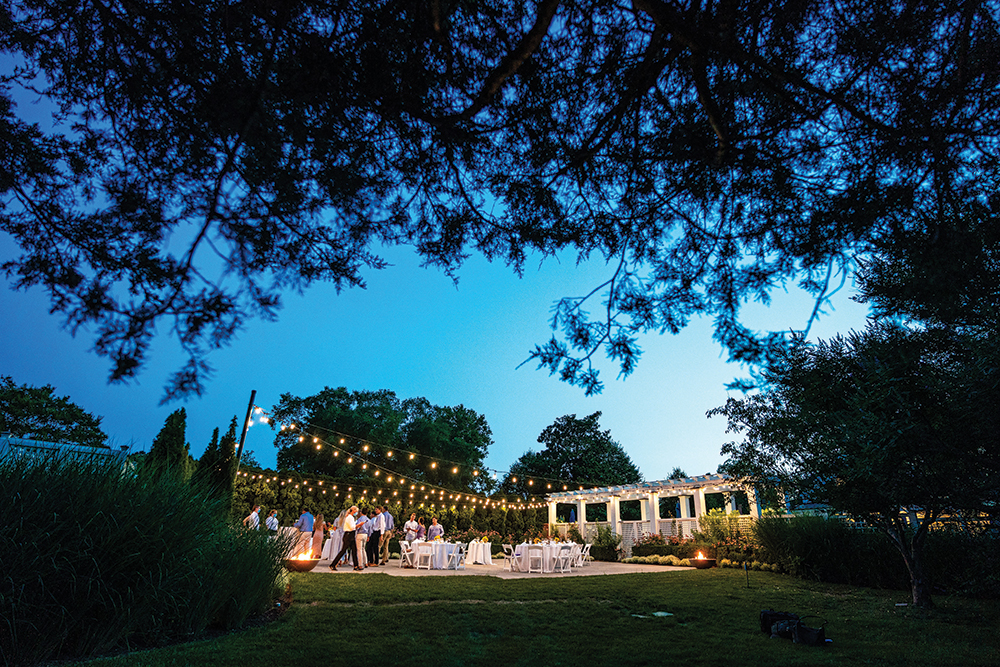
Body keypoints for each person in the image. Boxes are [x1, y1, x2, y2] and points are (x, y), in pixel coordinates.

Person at [331, 506, 359, 571]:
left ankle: (356, 565)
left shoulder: (350, 517)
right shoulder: (350, 518)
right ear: (354, 511)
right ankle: (333, 564)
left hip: (350, 535)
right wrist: (358, 525)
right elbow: (352, 527)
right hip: (349, 535)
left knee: (354, 550)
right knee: (343, 551)